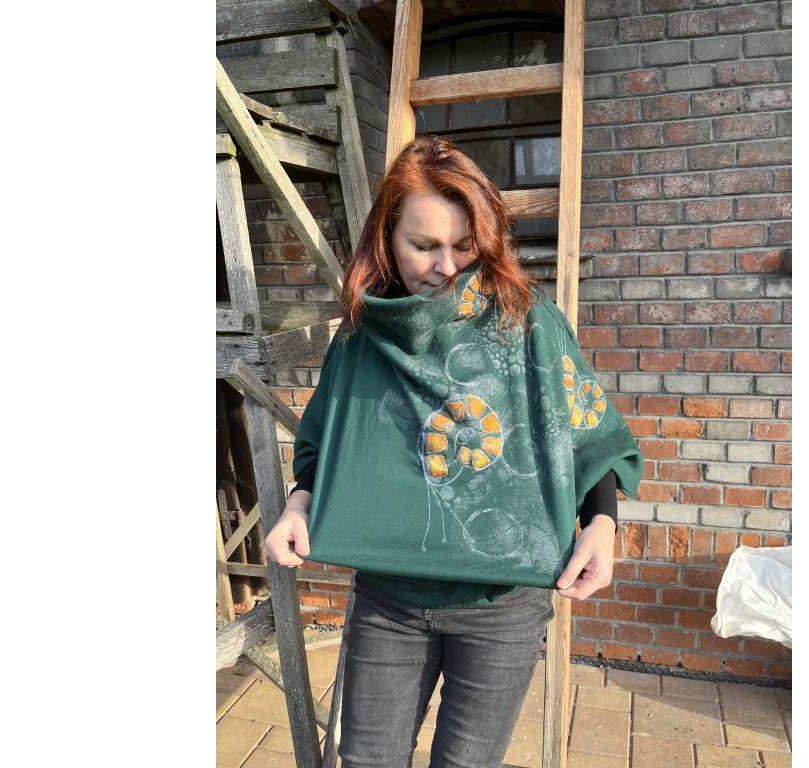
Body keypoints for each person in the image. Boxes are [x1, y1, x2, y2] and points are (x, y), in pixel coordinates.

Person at [265, 136, 643, 768]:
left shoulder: (527, 320)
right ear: (386, 237)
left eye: (464, 246)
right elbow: (326, 441)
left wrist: (602, 521)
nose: (446, 266)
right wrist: (299, 503)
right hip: (388, 597)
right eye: (424, 245)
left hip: (502, 604)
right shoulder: (362, 335)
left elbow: (587, 430)